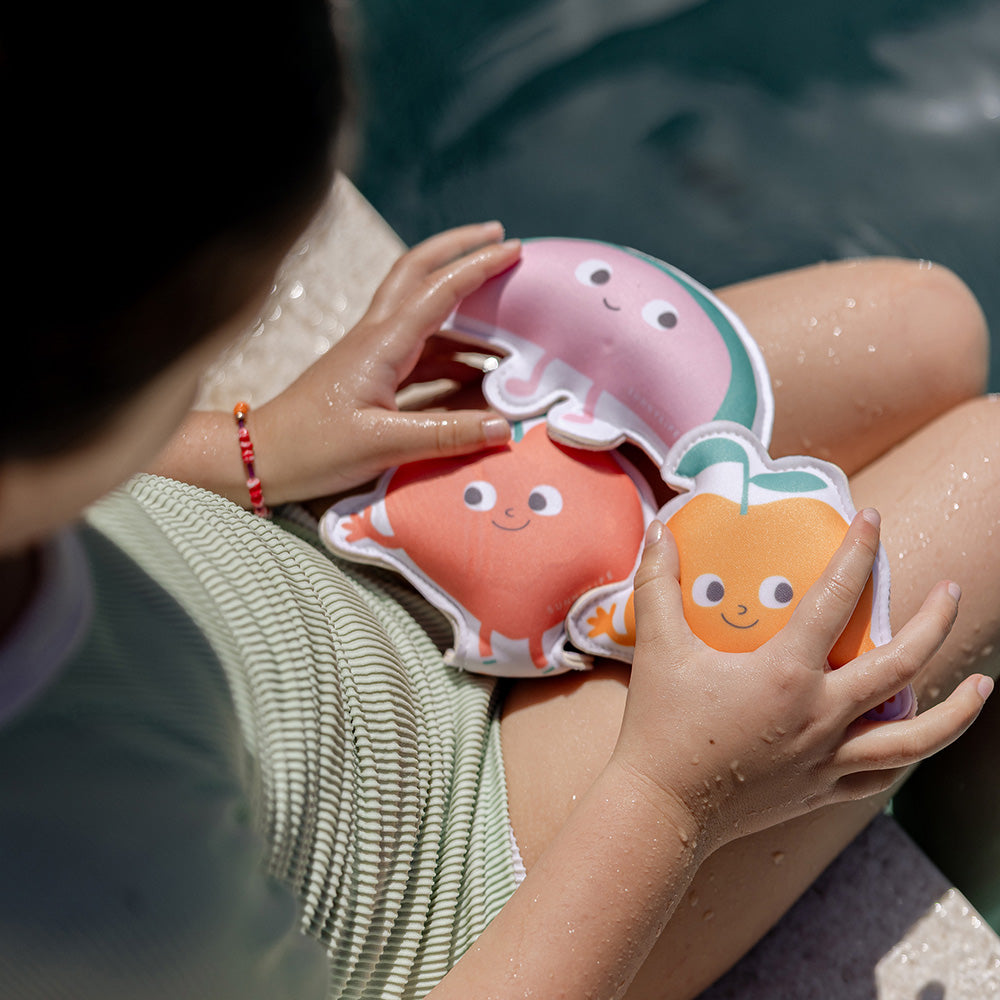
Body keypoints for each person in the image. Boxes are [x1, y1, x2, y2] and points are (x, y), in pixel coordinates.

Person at [1, 4, 996, 1000]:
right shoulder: (86, 873)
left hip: (335, 550)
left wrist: (254, 447)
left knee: (927, 327)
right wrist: (672, 794)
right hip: (467, 860)